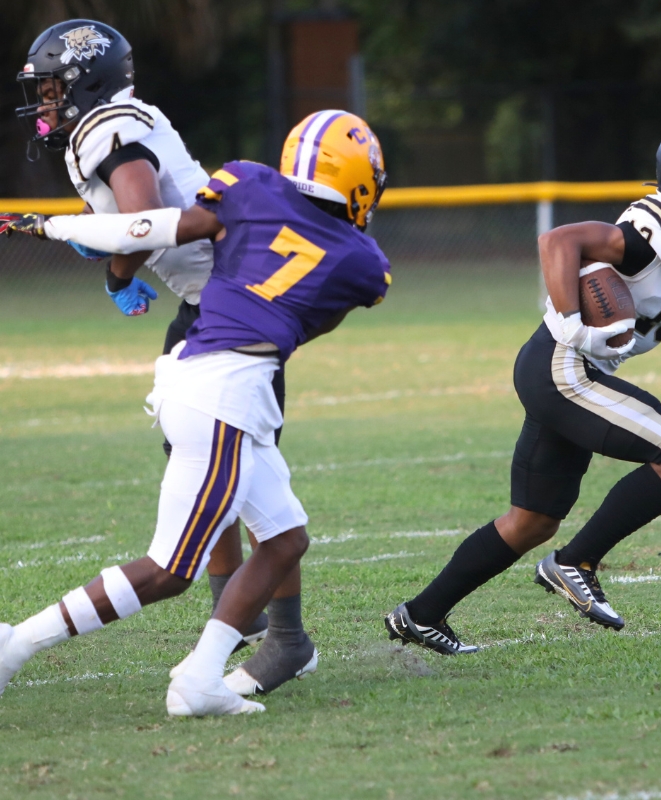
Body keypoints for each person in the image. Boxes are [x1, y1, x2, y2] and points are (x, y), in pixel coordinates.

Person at [0, 109, 391, 715]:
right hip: (224, 393)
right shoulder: (363, 262)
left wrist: (53, 227)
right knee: (169, 571)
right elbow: (304, 321)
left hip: (204, 374)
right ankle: (15, 645)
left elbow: (151, 226)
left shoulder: (250, 186)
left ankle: (202, 674)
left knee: (285, 539)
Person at [384, 118, 661, 654]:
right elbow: (558, 240)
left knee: (531, 522)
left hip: (578, 372)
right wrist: (573, 322)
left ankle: (421, 614)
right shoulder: (657, 228)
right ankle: (576, 562)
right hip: (562, 362)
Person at [15, 18, 274, 655]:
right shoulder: (118, 118)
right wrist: (94, 232)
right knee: (220, 462)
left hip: (229, 304)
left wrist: (115, 267)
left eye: (52, 88)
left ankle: (264, 626)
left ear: (84, 82)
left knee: (234, 471)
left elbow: (145, 217)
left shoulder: (105, 125)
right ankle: (247, 619)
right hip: (217, 298)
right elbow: (135, 212)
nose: (44, 102)